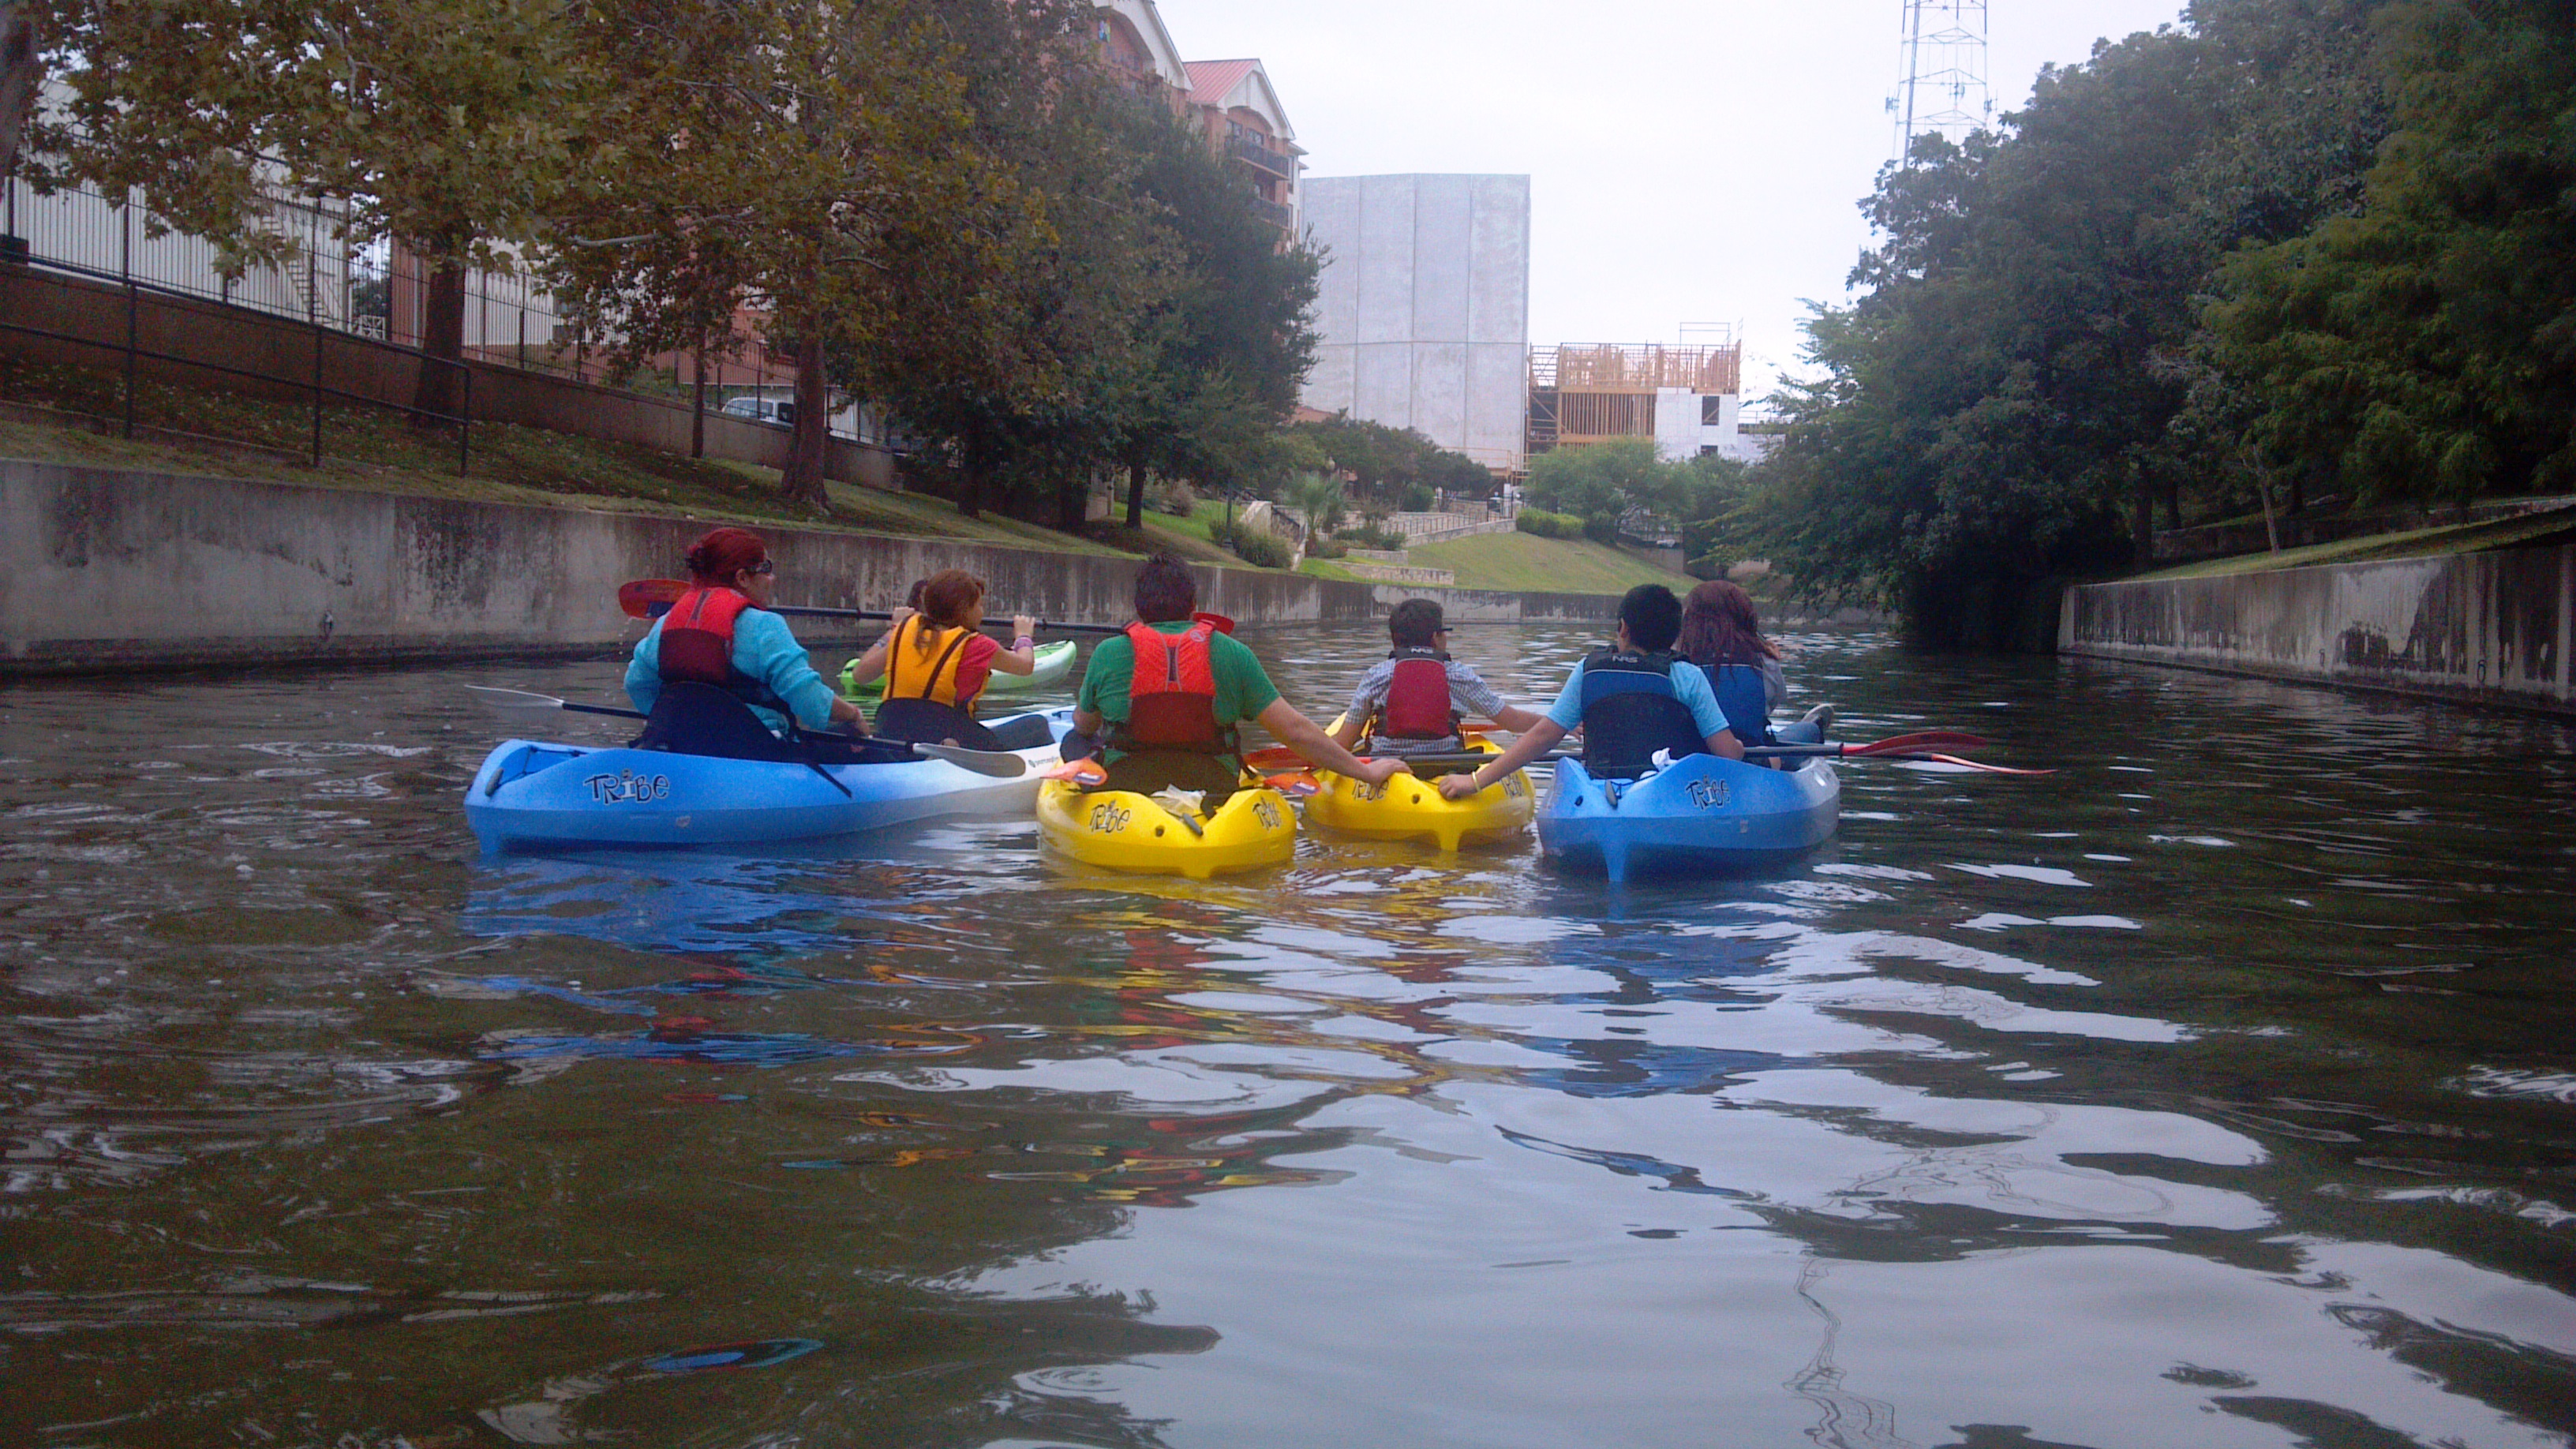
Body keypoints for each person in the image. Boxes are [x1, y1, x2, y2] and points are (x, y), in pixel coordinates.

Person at [1070, 555, 1407, 801]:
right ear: (1193, 605)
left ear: (1138, 607)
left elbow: (1085, 726)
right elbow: (1296, 732)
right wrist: (1367, 772)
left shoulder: (1107, 653)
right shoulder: (1233, 653)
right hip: (1212, 789)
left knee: (1073, 740)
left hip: (1127, 790)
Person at [1436, 583, 1743, 800]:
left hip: (1603, 797)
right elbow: (1727, 754)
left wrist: (1475, 781)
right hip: (1668, 797)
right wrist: (1740, 749)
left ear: (1623, 628)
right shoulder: (1689, 676)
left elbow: (1541, 737)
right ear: (1675, 635)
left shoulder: (1590, 670)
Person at [623, 527, 865, 756]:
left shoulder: (666, 623)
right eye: (766, 568)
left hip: (679, 747)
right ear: (742, 578)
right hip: (754, 755)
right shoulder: (765, 626)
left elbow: (636, 685)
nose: (772, 578)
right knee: (852, 739)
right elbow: (811, 704)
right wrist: (853, 715)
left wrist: (686, 722)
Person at [841, 568, 1043, 749]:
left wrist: (893, 631)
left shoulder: (904, 630)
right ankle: (949, 749)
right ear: (966, 610)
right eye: (980, 605)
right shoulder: (978, 645)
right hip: (947, 733)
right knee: (1037, 725)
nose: (982, 612)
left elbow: (860, 675)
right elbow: (1025, 666)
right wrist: (1023, 636)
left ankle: (938, 751)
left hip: (894, 732)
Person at [1327, 597, 1548, 759]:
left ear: (1394, 638)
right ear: (1435, 636)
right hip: (1444, 764)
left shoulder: (1376, 676)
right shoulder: (1459, 675)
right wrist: (1559, 725)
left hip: (1384, 764)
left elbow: (1344, 743)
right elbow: (1514, 722)